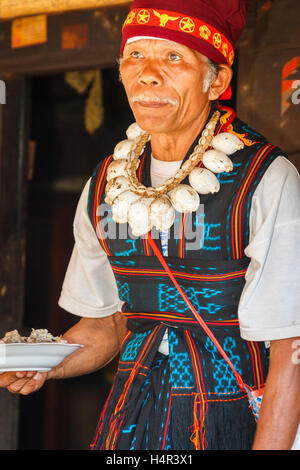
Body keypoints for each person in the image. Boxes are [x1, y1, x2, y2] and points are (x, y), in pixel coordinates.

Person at [1, 0, 299, 450]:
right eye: (135, 56)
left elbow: (290, 349)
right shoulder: (106, 183)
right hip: (135, 413)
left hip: (232, 416)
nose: (148, 74)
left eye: (174, 57)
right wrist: (47, 362)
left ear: (216, 80)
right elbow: (109, 325)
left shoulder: (264, 178)